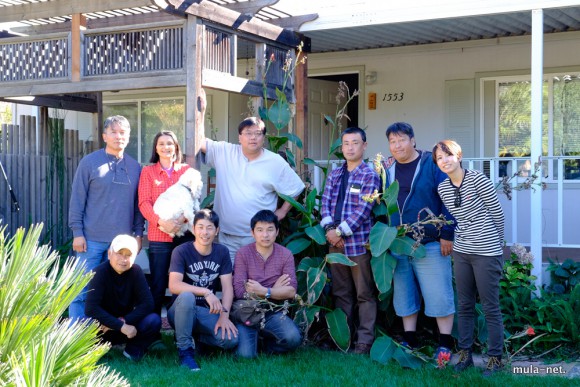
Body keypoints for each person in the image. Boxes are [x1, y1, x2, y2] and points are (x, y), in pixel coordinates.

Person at [198, 89, 305, 263]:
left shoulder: (274, 161)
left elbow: (296, 187)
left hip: (258, 237)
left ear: (264, 138)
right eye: (248, 133)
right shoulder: (225, 152)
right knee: (230, 279)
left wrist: (282, 211)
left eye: (258, 134)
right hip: (227, 235)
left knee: (256, 280)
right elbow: (199, 141)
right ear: (239, 137)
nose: (253, 137)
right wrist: (201, 112)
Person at [383, 122, 455, 361]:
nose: (397, 145)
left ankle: (445, 343)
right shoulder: (387, 170)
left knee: (438, 293)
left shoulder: (430, 165)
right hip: (399, 243)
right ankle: (410, 339)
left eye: (401, 140)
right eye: (392, 142)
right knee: (404, 294)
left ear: (412, 140)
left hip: (430, 242)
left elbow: (449, 198)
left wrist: (447, 234)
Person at [433, 140, 505, 375]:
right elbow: (457, 219)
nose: (445, 161)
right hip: (462, 251)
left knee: (490, 306)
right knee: (464, 305)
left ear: (459, 155)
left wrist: (496, 245)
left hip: (486, 251)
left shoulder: (478, 179)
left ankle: (495, 358)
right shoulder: (443, 188)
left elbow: (497, 215)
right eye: (439, 158)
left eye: (448, 155)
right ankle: (465, 355)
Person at [69, 115, 144, 320]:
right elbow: (77, 200)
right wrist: (77, 233)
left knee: (110, 294)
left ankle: (103, 341)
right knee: (81, 292)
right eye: (113, 132)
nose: (118, 136)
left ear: (128, 137)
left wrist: (138, 233)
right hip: (90, 241)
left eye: (122, 133)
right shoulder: (89, 163)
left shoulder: (136, 167)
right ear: (104, 136)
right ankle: (76, 343)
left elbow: (139, 205)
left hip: (121, 245)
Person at [320, 127, 380, 355]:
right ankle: (343, 338)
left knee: (364, 293)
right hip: (335, 244)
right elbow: (325, 202)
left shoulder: (369, 175)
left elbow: (364, 209)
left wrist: (340, 232)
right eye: (346, 143)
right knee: (341, 292)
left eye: (355, 143)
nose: (350, 147)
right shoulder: (335, 174)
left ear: (364, 146)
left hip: (357, 244)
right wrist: (330, 230)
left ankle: (364, 341)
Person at [168, 209, 238, 371]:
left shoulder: (222, 252)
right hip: (180, 311)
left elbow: (228, 287)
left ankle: (196, 340)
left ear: (217, 231)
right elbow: (174, 285)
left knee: (231, 340)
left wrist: (224, 316)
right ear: (193, 229)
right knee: (187, 297)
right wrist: (206, 292)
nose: (204, 232)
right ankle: (185, 352)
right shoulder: (181, 251)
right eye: (200, 227)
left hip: (206, 311)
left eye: (209, 228)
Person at [233, 210, 302, 358]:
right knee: (245, 356)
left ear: (277, 232)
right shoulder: (243, 254)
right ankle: (253, 341)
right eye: (260, 230)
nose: (265, 235)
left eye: (270, 230)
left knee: (293, 338)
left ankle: (266, 346)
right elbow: (239, 291)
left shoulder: (285, 254)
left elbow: (291, 291)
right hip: (248, 313)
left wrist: (265, 290)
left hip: (272, 312)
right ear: (252, 233)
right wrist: (276, 290)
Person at [138, 130, 193, 316]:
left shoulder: (186, 171)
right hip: (158, 234)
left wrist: (179, 221)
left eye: (169, 143)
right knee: (158, 282)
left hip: (183, 234)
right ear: (156, 148)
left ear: (176, 147)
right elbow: (144, 203)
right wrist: (162, 222)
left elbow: (193, 199)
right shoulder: (148, 171)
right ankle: (153, 327)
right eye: (161, 143)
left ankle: (179, 322)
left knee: (182, 280)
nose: (165, 147)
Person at [85, 234, 160, 362]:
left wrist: (123, 321)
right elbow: (91, 309)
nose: (123, 259)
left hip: (128, 326)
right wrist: (119, 325)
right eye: (119, 253)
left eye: (128, 255)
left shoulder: (136, 272)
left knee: (153, 320)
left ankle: (132, 350)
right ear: (109, 254)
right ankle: (98, 351)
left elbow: (148, 304)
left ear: (134, 257)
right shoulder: (99, 273)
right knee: (84, 325)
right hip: (103, 326)